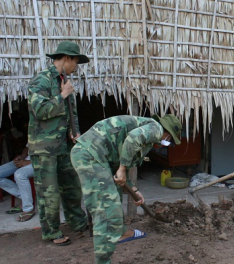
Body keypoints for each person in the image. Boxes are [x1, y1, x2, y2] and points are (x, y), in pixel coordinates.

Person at [70, 114, 182, 264]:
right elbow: (132, 138)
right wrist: (123, 169)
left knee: (113, 195)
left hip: (95, 156)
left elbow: (119, 167)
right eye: (169, 141)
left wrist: (134, 190)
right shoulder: (156, 128)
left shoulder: (147, 132)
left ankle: (121, 232)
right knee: (107, 212)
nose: (165, 144)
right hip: (90, 156)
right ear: (167, 134)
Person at [27, 41, 89, 245]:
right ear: (67, 58)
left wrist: (75, 132)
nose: (76, 67)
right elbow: (40, 110)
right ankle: (51, 232)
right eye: (76, 62)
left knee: (72, 187)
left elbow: (72, 114)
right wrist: (62, 95)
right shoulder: (41, 80)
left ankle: (77, 222)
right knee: (49, 193)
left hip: (64, 147)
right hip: (44, 148)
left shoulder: (65, 81)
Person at [0, 144, 35, 222]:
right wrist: (21, 157)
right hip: (26, 160)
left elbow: (50, 155)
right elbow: (27, 147)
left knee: (19, 174)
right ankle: (25, 197)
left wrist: (29, 162)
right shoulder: (32, 131)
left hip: (40, 163)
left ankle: (28, 209)